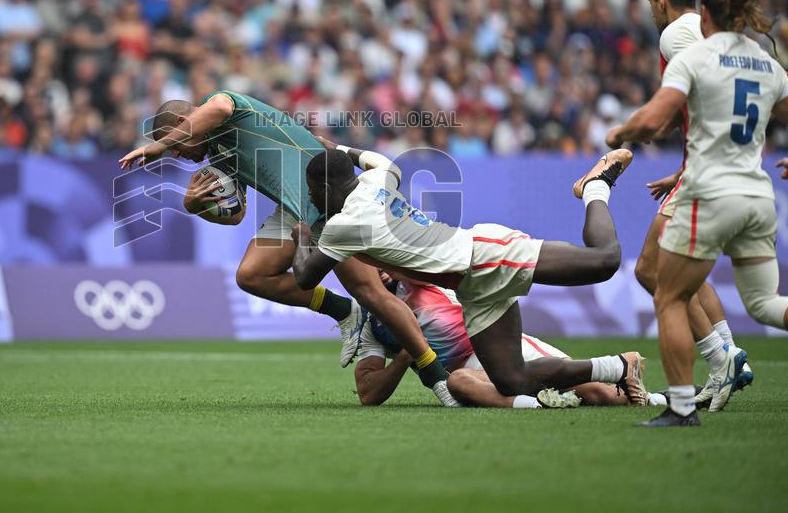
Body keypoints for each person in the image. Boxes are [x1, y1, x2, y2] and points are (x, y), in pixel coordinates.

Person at [118, 93, 459, 406]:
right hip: (296, 209)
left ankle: (437, 379)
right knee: (252, 275)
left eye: (177, 144)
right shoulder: (219, 153)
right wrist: (195, 206)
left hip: (330, 200)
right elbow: (236, 215)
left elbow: (220, 108)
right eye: (172, 149)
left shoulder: (225, 108)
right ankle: (345, 311)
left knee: (372, 292)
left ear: (181, 124)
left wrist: (159, 146)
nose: (178, 154)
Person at [291, 142, 647, 403]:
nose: (312, 200)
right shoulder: (379, 179)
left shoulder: (345, 225)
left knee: (605, 259)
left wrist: (298, 237)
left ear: (324, 188)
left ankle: (595, 187)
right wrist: (334, 146)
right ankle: (618, 366)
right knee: (511, 380)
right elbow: (374, 159)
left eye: (312, 193)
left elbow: (305, 277)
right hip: (472, 285)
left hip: (483, 255)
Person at [607, 0, 788, 427]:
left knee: (663, 287)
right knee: (765, 304)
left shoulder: (685, 41)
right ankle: (726, 355)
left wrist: (622, 132)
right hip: (755, 190)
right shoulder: (765, 61)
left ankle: (693, 394)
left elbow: (663, 114)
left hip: (707, 186)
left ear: (702, 13)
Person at [636, 0, 751, 410]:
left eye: (650, 1)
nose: (650, 10)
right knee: (687, 269)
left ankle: (721, 362)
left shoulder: (674, 36)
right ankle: (730, 354)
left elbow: (703, 97)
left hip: (708, 168)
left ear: (661, 0)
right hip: (708, 166)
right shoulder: (704, 32)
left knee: (650, 270)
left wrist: (653, 123)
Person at [354, 271, 669, 409]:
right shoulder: (371, 325)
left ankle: (665, 396)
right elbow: (368, 393)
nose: (377, 272)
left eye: (376, 262)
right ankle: (540, 406)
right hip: (469, 376)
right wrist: (405, 357)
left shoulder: (416, 277)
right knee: (459, 382)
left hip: (499, 348)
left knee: (599, 396)